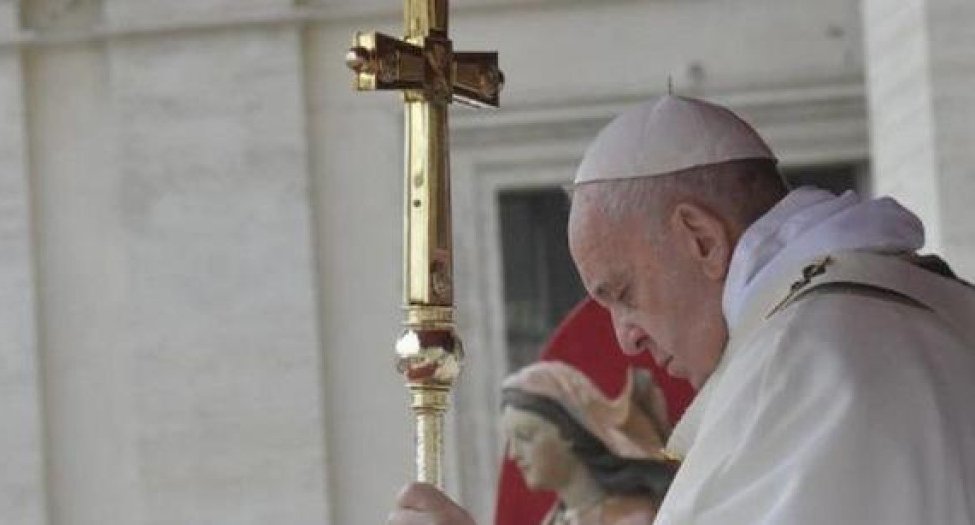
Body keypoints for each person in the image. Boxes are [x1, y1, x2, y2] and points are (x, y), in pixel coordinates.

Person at [387, 95, 975, 524]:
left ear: (700, 239)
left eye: (623, 293)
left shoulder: (806, 361)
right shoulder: (931, 305)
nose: (625, 340)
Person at [500, 362, 675, 525]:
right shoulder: (556, 519)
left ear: (569, 432)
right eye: (511, 440)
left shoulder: (630, 519)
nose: (513, 454)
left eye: (525, 436)